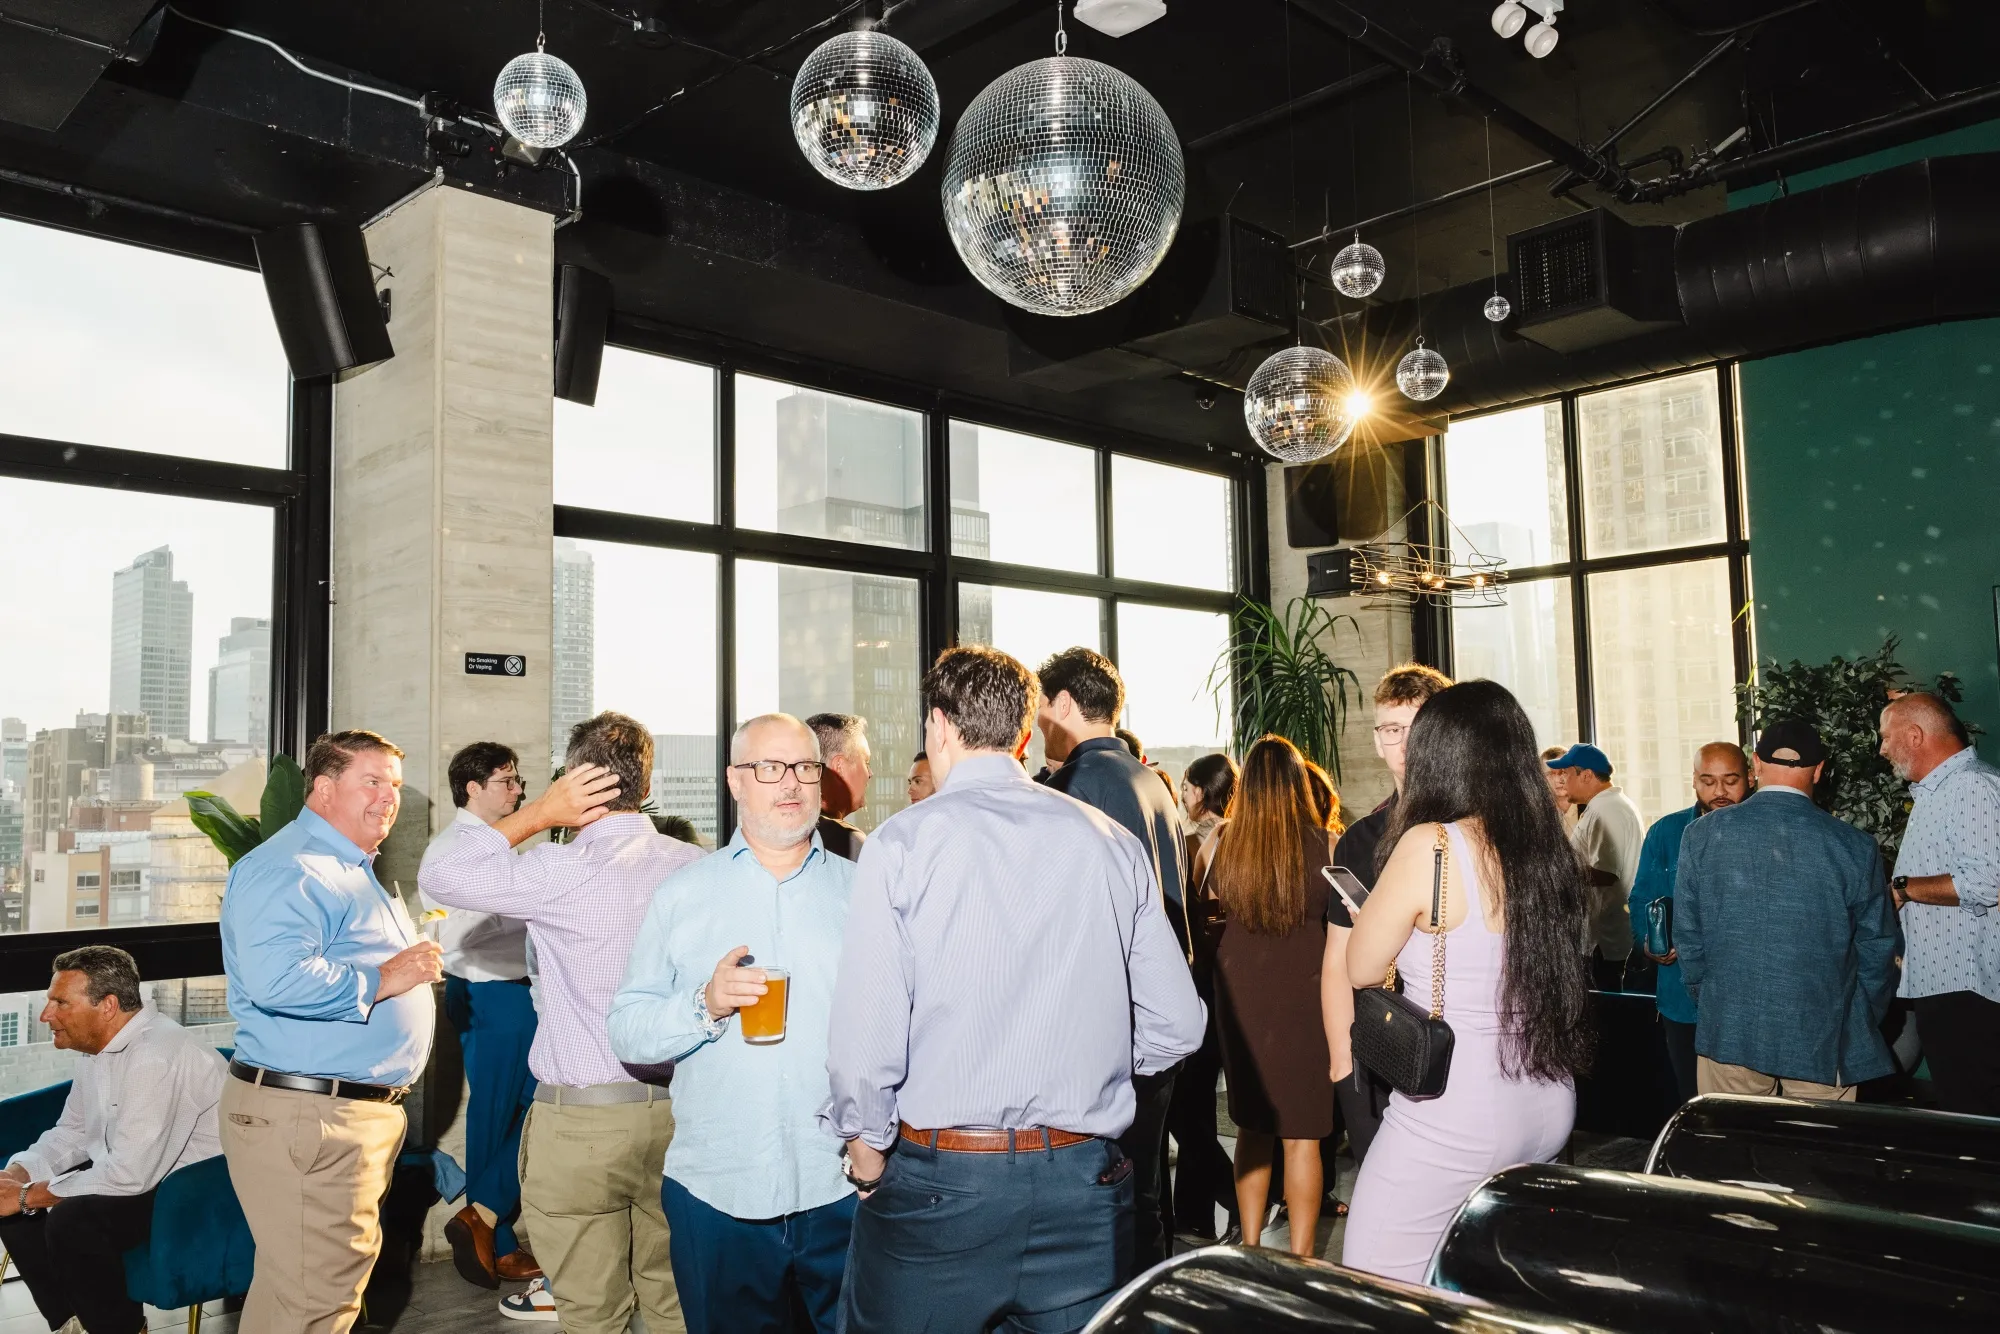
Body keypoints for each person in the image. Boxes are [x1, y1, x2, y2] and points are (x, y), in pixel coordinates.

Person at [826, 646, 1205, 1333]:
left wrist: (865, 1149)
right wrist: (1101, 1078)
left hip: (942, 1184)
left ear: (939, 725)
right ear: (1025, 734)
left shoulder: (902, 844)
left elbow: (866, 1034)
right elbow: (1179, 1024)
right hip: (1086, 1188)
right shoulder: (1110, 842)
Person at [423, 712, 699, 1334]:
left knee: (589, 1314)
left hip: (580, 1122)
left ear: (572, 782)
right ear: (646, 787)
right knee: (673, 1303)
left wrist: (541, 814)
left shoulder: (558, 870)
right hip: (683, 1116)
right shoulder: (693, 865)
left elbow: (441, 877)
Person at [609, 714, 855, 1334]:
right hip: (719, 1190)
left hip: (843, 1186)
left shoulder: (865, 891)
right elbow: (628, 1030)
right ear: (734, 781)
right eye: (769, 768)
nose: (790, 783)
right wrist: (704, 1005)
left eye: (804, 767)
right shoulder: (684, 894)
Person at [1342, 681, 1593, 1284]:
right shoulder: (1544, 845)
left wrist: (1377, 917)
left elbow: (1360, 968)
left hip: (1457, 1105)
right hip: (1545, 1093)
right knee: (1485, 1283)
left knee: (1378, 1283)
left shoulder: (1431, 844)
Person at [219, 729, 441, 1334]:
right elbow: (277, 980)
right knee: (317, 1305)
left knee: (298, 1295)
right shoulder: (293, 867)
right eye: (371, 781)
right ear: (322, 790)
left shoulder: (345, 866)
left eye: (394, 784)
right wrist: (386, 977)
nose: (388, 797)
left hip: (331, 1116)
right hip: (311, 1118)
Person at [1034, 646, 1193, 1272]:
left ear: (1066, 704)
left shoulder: (1080, 784)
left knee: (1111, 1196)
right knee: (1147, 1189)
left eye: (1043, 706)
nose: (1038, 719)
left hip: (1111, 1020)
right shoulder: (1149, 780)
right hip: (1158, 1006)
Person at [0, 947, 225, 1334]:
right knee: (11, 1203)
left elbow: (130, 1174)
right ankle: (75, 1324)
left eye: (60, 1003)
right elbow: (72, 1132)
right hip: (142, 1173)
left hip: (194, 1195)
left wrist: (29, 1194)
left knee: (71, 1220)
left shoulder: (155, 1055)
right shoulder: (97, 1049)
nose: (46, 1015)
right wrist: (19, 1174)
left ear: (107, 1006)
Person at [1676, 720, 1901, 1101]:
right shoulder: (1855, 846)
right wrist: (1854, 1016)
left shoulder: (1702, 834)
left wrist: (1713, 998)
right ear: (1819, 769)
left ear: (1756, 765)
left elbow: (1687, 935)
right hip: (1824, 1035)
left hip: (1731, 1027)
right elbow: (1878, 950)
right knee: (1816, 1155)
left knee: (1733, 1148)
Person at [1205, 737, 1346, 1256]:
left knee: (1251, 1126)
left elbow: (1204, 906)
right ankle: (1303, 1257)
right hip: (1308, 990)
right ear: (1296, 784)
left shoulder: (1223, 840)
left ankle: (1249, 1245)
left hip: (1241, 991)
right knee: (1304, 1133)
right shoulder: (1328, 845)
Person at [420, 742, 542, 1289]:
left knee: (528, 1109)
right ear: (473, 788)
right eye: (507, 781)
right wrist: (537, 905)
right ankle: (493, 1231)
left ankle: (484, 1220)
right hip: (491, 995)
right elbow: (458, 931)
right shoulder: (454, 850)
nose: (519, 791)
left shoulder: (499, 845)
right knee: (497, 1116)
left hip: (516, 994)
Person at [1326, 663, 1450, 1166]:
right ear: (1378, 741)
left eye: (1418, 729)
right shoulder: (1362, 839)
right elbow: (1336, 962)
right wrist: (1341, 1063)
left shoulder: (1476, 829)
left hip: (1465, 1045)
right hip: (1384, 1046)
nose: (1405, 745)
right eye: (1393, 730)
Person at [1879, 692, 2000, 1115]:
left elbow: (1987, 882)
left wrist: (1902, 887)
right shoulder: (1939, 790)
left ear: (1914, 735)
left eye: (1886, 737)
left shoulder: (1970, 786)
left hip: (1967, 986)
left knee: (1975, 1117)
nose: (1882, 749)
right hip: (1945, 984)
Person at [1627, 742, 1750, 1104]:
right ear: (1693, 781)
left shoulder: (1763, 833)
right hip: (1681, 994)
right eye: (1708, 781)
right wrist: (1650, 942)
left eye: (1731, 780)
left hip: (1744, 994)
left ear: (1750, 777)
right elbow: (1640, 898)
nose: (1720, 792)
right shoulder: (1666, 832)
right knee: (1692, 1099)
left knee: (1745, 1105)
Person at [1170, 751, 1237, 1241]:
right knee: (1195, 1112)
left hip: (1200, 985)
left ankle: (1247, 1195)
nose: (1182, 798)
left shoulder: (1201, 840)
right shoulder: (1250, 837)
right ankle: (1195, 1216)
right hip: (1231, 990)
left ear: (1199, 791)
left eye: (1187, 789)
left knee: (1186, 1111)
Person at [1548, 743, 1644, 990]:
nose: (1562, 781)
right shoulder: (1607, 805)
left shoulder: (1606, 809)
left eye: (1566, 774)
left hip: (1605, 940)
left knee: (1604, 1015)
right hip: (1604, 937)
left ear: (1587, 775)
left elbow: (1606, 873)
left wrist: (1553, 870)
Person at [805, 712, 870, 862]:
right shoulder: (848, 842)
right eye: (866, 763)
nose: (870, 773)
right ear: (839, 766)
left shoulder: (782, 834)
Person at [1542, 745, 1579, 834]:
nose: (1558, 780)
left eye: (1563, 772)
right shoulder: (1539, 815)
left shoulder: (1588, 810)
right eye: (1550, 774)